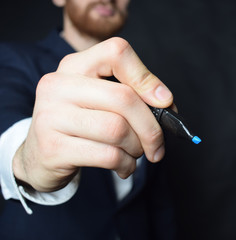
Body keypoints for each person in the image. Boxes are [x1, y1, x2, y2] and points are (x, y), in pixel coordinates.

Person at [0, 0, 175, 239]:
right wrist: (28, 161)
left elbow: (158, 205)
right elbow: (8, 132)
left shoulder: (145, 84)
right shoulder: (12, 60)